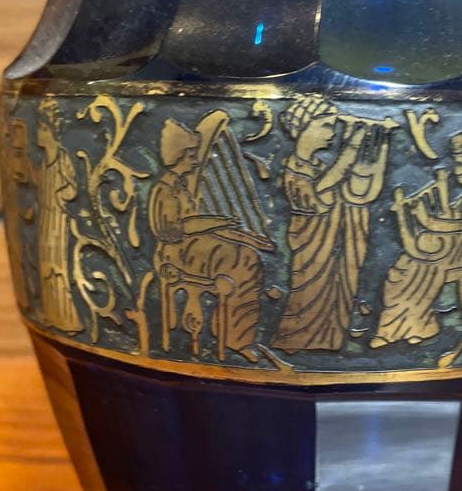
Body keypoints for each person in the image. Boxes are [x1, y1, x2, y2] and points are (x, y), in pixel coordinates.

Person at [274, 95, 396, 353]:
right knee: (309, 293)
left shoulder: (318, 165)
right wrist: (352, 145)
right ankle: (295, 340)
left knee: (337, 290)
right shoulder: (295, 169)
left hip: (335, 243)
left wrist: (374, 150)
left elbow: (348, 194)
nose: (332, 133)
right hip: (312, 246)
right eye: (326, 126)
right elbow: (322, 190)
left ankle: (329, 341)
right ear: (303, 127)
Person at [149, 113, 266, 361]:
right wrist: (220, 221)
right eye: (191, 155)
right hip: (175, 254)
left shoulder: (181, 187)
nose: (195, 160)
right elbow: (174, 230)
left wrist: (245, 237)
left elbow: (199, 225)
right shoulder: (165, 190)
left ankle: (234, 335)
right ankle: (233, 337)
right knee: (244, 261)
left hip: (194, 248)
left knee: (247, 256)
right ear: (179, 156)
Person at [370, 129, 462, 347]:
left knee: (410, 272)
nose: (456, 171)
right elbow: (449, 218)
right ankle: (419, 327)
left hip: (453, 256)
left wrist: (424, 219)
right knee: (399, 272)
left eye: (461, 164)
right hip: (442, 249)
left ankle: (390, 332)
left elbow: (461, 227)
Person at [33, 98, 82, 334]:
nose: (38, 135)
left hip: (58, 221)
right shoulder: (45, 162)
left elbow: (72, 188)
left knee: (57, 268)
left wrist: (60, 196)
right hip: (46, 219)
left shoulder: (62, 159)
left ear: (51, 132)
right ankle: (51, 314)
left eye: (41, 129)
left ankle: (65, 318)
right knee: (45, 266)